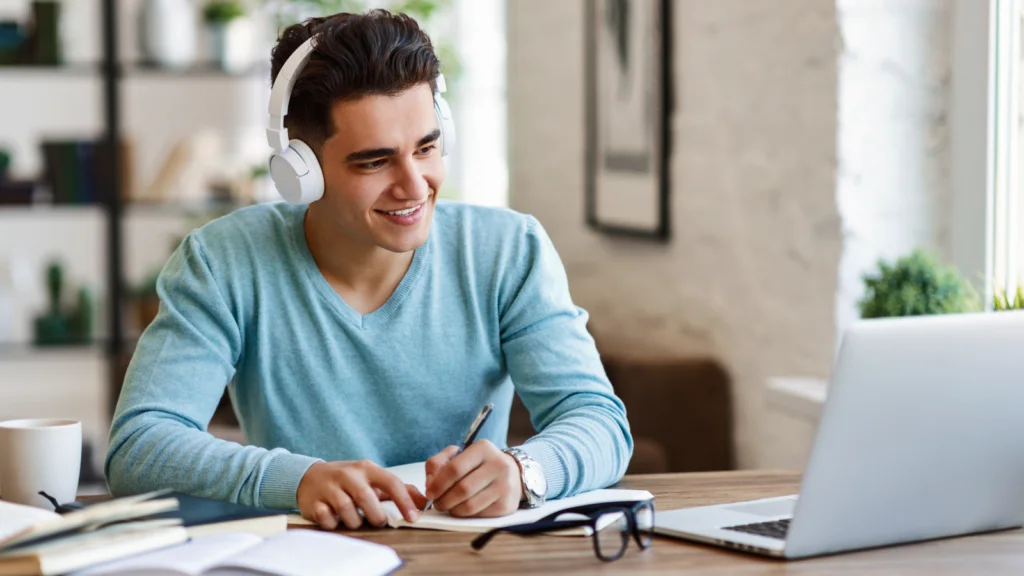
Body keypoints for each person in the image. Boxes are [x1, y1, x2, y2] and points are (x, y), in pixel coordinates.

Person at [105, 9, 632, 530]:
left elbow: (599, 420)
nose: (414, 184)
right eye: (375, 161)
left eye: (427, 147)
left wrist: (525, 471)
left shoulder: (509, 250)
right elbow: (140, 447)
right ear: (301, 171)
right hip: (307, 560)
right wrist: (300, 479)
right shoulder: (223, 263)